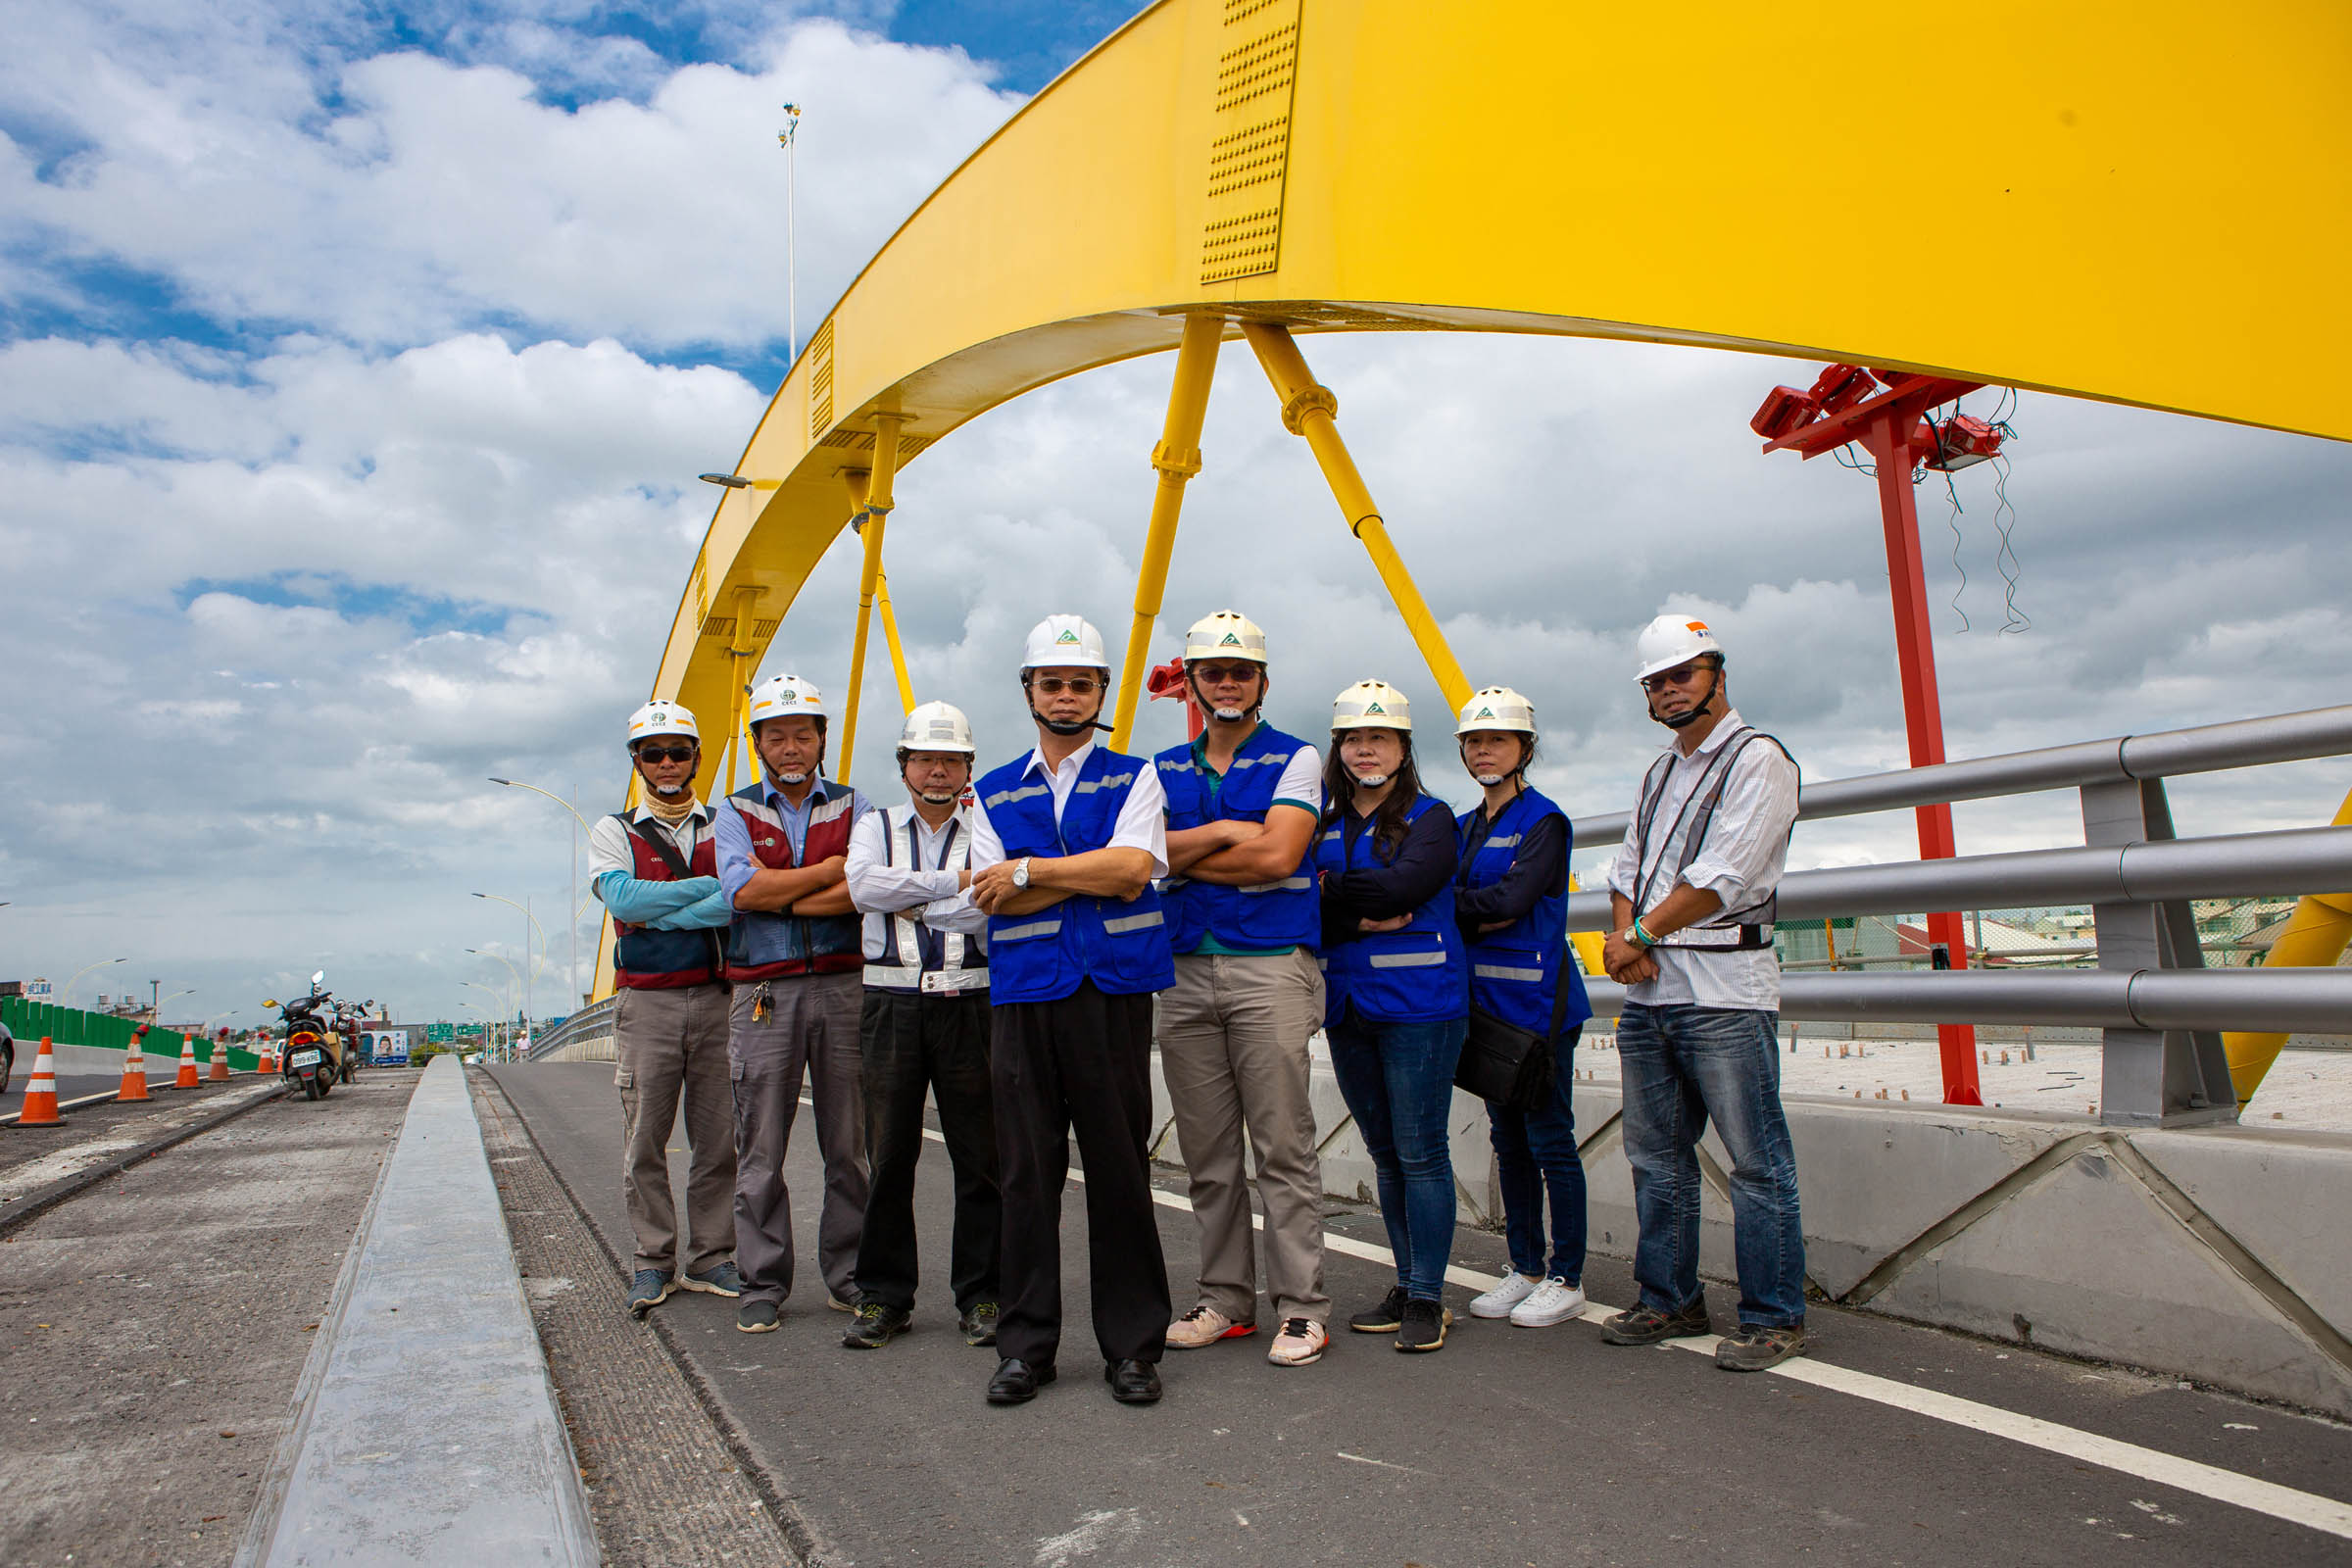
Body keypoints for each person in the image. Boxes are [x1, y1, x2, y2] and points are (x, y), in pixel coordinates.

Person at [966, 614, 1175, 1406]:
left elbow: (1129, 872)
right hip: (1025, 993)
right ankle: (1026, 1346)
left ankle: (1133, 1347)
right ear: (1029, 692)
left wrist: (1028, 871)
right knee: (1027, 1173)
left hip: (1111, 992)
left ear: (1099, 692)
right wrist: (1041, 877)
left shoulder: (1136, 776)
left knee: (1120, 1169)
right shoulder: (990, 788)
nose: (1065, 696)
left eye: (1080, 683)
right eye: (1051, 683)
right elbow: (989, 890)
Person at [1600, 613, 1805, 1372]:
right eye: (1656, 682)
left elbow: (1728, 875)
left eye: (1682, 675)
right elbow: (1628, 869)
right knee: (1657, 1158)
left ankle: (1774, 1316)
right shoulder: (1660, 771)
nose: (1669, 691)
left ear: (1716, 673)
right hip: (1653, 994)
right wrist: (1631, 940)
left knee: (1755, 1161)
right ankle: (1669, 1300)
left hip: (1725, 989)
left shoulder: (1760, 760)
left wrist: (1640, 938)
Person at [1154, 612, 1331, 1369]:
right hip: (1183, 966)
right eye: (1214, 672)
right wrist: (1234, 833)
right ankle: (1226, 1299)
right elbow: (1141, 858)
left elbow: (1279, 856)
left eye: (1241, 671)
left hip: (1270, 965)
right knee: (1209, 1154)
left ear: (1263, 681)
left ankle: (1302, 1308)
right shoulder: (1156, 767)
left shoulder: (1297, 759)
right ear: (1192, 680)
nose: (1228, 682)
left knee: (1282, 1145)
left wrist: (1189, 855)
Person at [714, 672, 874, 1332]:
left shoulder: (854, 804)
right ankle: (762, 1280)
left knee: (849, 1144)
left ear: (820, 739)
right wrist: (823, 876)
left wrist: (781, 888)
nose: (790, 747)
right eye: (776, 736)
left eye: (801, 735)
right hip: (763, 992)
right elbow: (741, 893)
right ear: (757, 743)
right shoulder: (735, 809)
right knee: (761, 1147)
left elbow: (865, 887)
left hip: (844, 985)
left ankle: (849, 1273)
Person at [839, 701, 1002, 1351]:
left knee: (981, 1158)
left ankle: (983, 1294)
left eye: (951, 760)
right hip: (889, 1005)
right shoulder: (874, 824)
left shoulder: (987, 825)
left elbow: (986, 904)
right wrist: (953, 884)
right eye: (925, 759)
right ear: (903, 764)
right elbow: (861, 889)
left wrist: (911, 896)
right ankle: (883, 1297)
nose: (938, 771)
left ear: (968, 767)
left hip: (970, 1000)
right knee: (888, 1157)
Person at [1314, 680, 1467, 1353]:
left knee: (1421, 1152)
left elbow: (1407, 886)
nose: (1365, 749)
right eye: (1353, 738)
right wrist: (1360, 907)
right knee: (1383, 1153)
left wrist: (1335, 894)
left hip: (1418, 1009)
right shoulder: (1321, 820)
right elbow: (1299, 901)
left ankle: (1430, 1297)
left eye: (1379, 738)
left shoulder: (1434, 819)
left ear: (1404, 748)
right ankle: (1406, 1282)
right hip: (1347, 1006)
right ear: (1338, 747)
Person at [588, 702, 744, 1318]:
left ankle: (712, 1257)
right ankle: (653, 1262)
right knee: (645, 1142)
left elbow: (740, 902)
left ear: (697, 756)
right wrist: (707, 891)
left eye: (679, 750)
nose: (667, 762)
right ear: (637, 762)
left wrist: (657, 911)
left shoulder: (724, 822)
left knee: (718, 1140)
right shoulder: (613, 830)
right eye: (653, 753)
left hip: (718, 999)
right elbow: (619, 897)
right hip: (645, 1004)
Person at [1451, 686, 1594, 1329]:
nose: (1484, 751)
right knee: (1507, 1141)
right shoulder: (1463, 827)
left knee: (1549, 1139)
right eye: (1474, 741)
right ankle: (1525, 1266)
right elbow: (1462, 900)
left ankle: (1567, 1275)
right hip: (1487, 1005)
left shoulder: (1545, 822)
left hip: (1538, 1006)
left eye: (1497, 740)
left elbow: (1511, 901)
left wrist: (1457, 909)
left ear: (1525, 749)